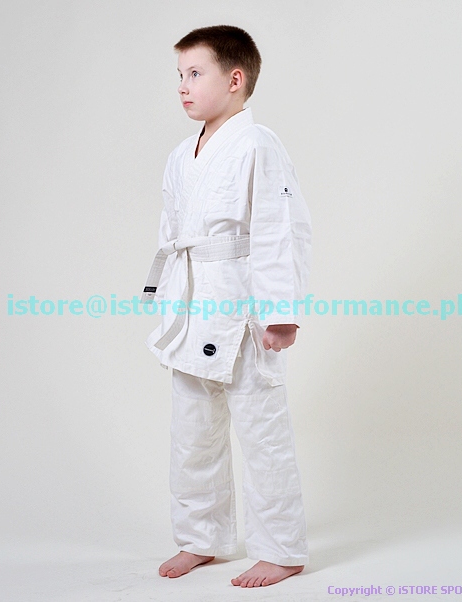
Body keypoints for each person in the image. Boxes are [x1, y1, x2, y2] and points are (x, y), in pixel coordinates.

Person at [142, 24, 311, 588]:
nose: (183, 86)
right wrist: (167, 297)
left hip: (242, 308)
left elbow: (280, 228)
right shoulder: (180, 156)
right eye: (180, 75)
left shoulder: (258, 144)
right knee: (192, 431)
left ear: (235, 79)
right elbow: (171, 234)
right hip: (191, 305)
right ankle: (201, 538)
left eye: (196, 73)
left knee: (262, 431)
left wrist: (280, 311)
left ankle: (282, 548)